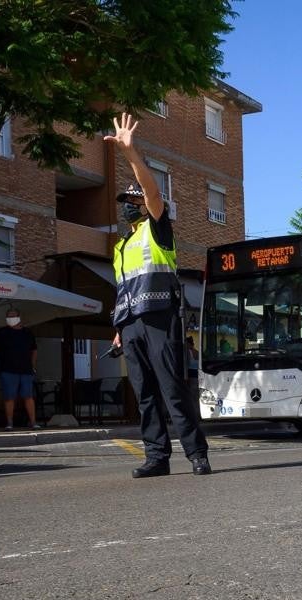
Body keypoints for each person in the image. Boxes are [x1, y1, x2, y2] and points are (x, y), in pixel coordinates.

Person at [103, 112, 211, 478]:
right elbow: (124, 288)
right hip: (132, 324)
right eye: (125, 202)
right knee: (144, 394)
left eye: (131, 200)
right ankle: (156, 457)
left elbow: (150, 190)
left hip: (161, 318)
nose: (127, 205)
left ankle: (197, 454)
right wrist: (119, 327)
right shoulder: (121, 245)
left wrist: (132, 155)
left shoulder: (157, 228)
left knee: (171, 389)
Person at [0, 309, 40, 430]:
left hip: (26, 371)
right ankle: (10, 423)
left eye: (12, 316)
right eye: (8, 316)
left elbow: (34, 350)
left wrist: (32, 365)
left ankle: (33, 422)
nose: (10, 318)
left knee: (28, 396)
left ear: (19, 317)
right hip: (8, 370)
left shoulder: (27, 333)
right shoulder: (1, 333)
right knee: (9, 397)